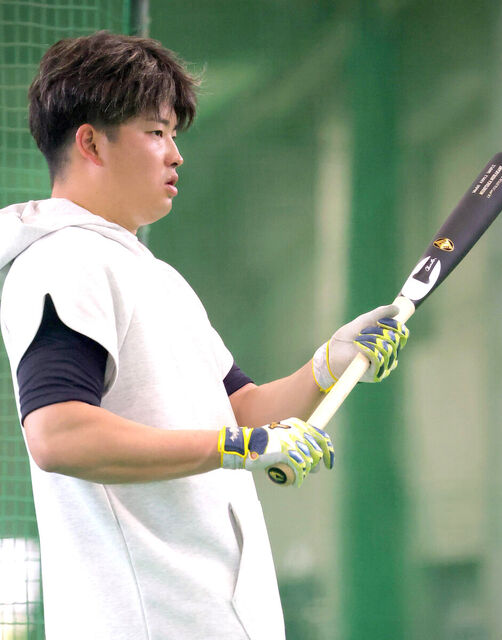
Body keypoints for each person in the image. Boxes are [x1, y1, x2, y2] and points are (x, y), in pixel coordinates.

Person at [0, 31, 409, 640]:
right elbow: (59, 435)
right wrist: (237, 447)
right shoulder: (64, 261)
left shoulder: (155, 278)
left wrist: (329, 364)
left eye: (174, 134)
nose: (176, 155)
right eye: (155, 132)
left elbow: (243, 412)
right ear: (91, 142)